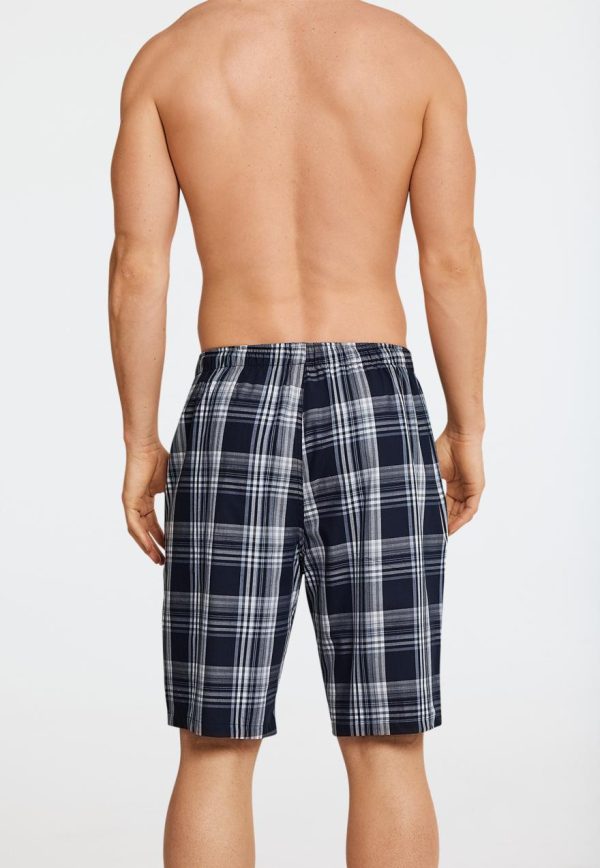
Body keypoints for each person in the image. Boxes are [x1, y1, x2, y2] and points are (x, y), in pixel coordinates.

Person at [108, 1, 486, 865]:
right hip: (376, 401)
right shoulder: (414, 58)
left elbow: (138, 266)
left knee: (215, 744)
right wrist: (466, 425)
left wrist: (139, 441)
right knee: (389, 742)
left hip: (233, 400)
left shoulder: (171, 59)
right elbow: (452, 258)